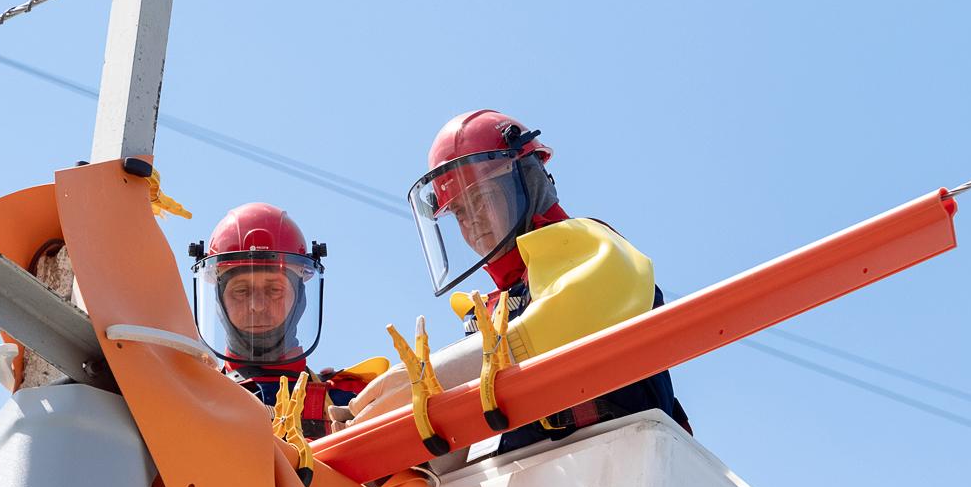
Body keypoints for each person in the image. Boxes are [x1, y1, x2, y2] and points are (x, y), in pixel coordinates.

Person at [339, 110, 689, 452]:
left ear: (526, 182)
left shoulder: (594, 248)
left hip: (628, 464)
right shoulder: (493, 311)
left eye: (480, 198)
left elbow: (565, 322)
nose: (472, 221)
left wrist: (436, 378)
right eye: (459, 211)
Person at [190, 202, 377, 439]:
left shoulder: (354, 403)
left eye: (274, 290)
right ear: (219, 300)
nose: (256, 305)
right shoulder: (190, 398)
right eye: (241, 291)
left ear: (300, 297)